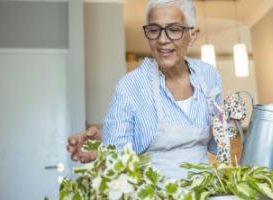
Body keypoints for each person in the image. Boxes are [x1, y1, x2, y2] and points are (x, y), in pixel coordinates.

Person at [67, 0, 222, 180]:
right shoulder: (129, 87)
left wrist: (229, 124)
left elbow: (216, 145)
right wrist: (101, 150)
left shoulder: (210, 76)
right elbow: (118, 158)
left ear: (192, 35)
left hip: (206, 190)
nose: (162, 40)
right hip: (152, 193)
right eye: (154, 30)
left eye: (174, 29)